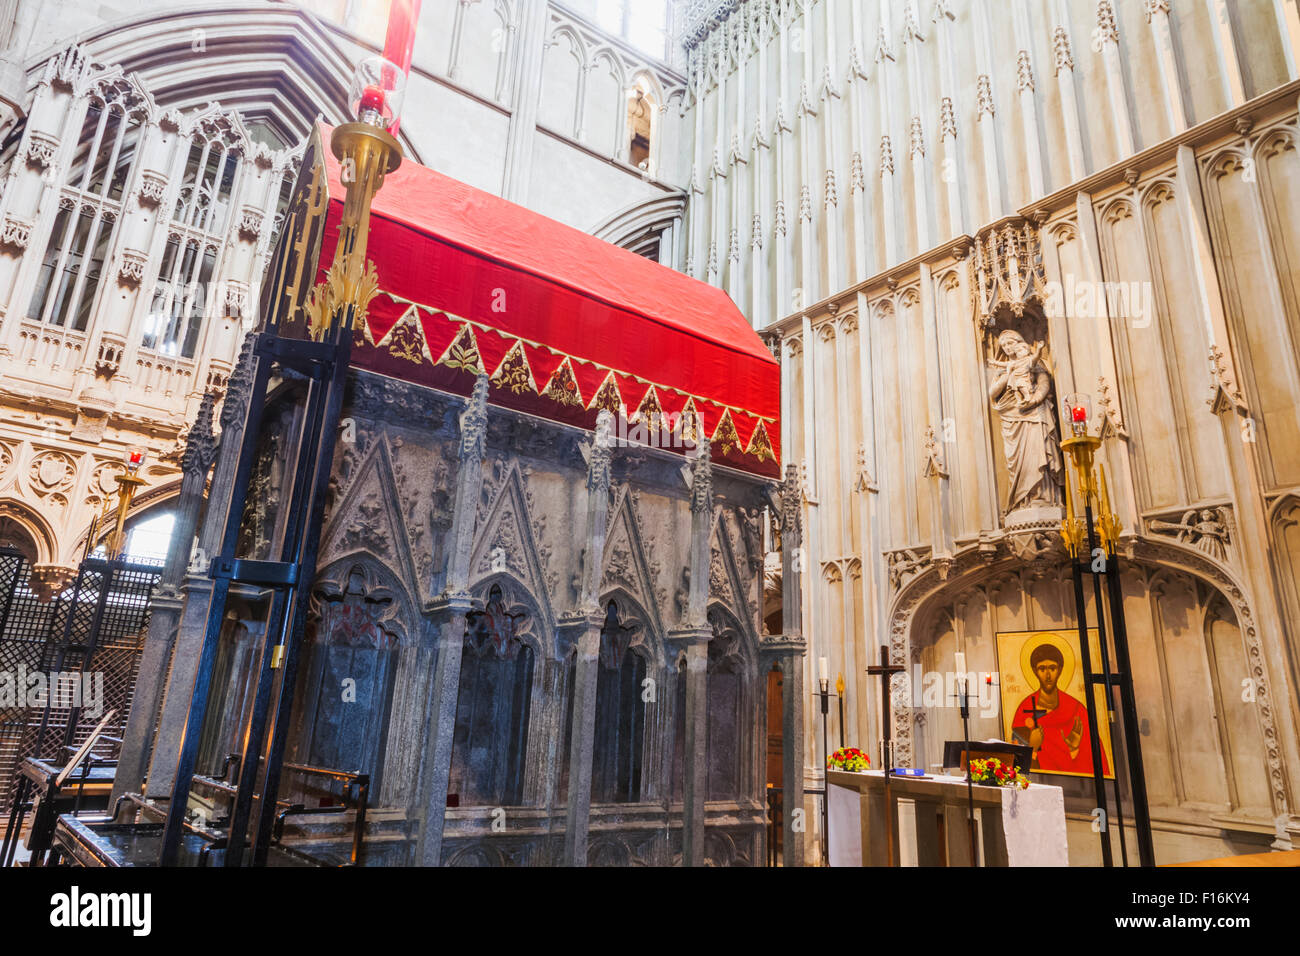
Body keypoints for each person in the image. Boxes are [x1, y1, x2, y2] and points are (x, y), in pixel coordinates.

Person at [1011, 642, 1109, 775]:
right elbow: (1017, 764)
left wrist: (1074, 749)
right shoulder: (1024, 710)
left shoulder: (1076, 709)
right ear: (1035, 671)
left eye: (1052, 668)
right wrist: (1032, 748)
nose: (1047, 675)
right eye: (1042, 669)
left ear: (1060, 669)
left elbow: (1096, 761)